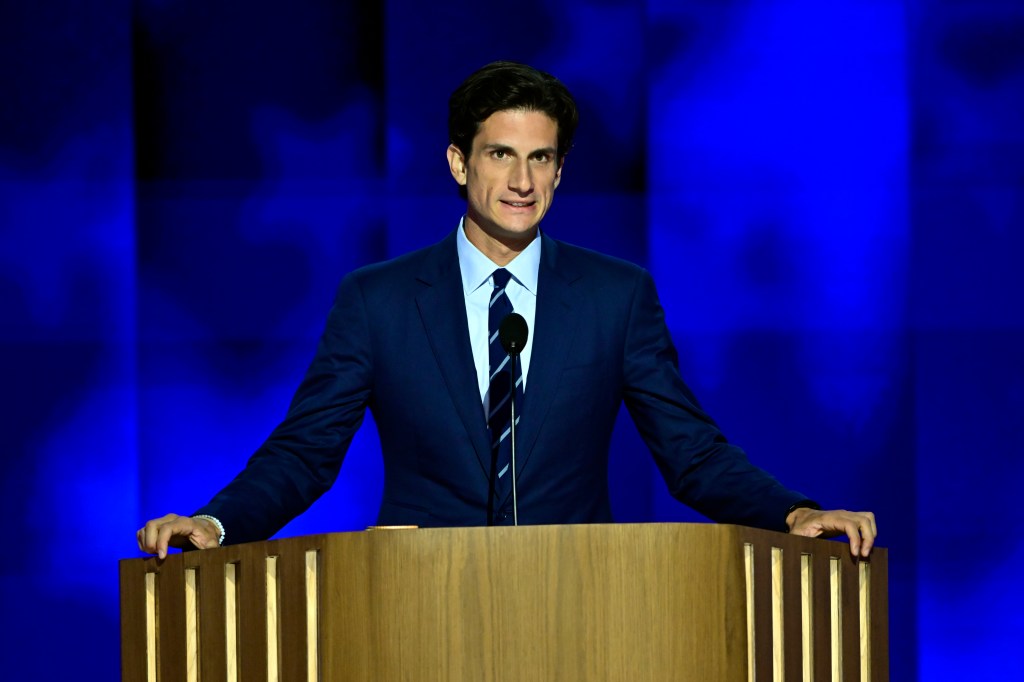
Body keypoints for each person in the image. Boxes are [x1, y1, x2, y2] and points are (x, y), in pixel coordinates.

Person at [138, 61, 876, 560]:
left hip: (576, 603)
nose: (522, 180)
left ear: (559, 171)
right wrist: (217, 522)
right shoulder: (378, 300)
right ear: (459, 163)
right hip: (417, 604)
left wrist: (793, 513)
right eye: (500, 155)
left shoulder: (615, 297)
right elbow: (306, 452)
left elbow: (692, 453)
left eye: (541, 158)